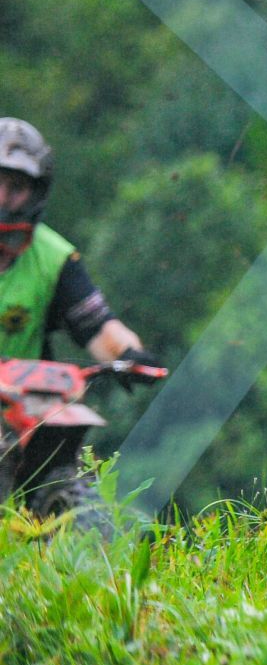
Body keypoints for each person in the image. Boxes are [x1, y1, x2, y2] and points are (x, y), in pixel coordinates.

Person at [0, 117, 154, 525]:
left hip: (22, 402)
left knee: (63, 463)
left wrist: (129, 354)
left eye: (15, 187)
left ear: (35, 193)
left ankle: (71, 533)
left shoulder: (54, 257)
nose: (2, 198)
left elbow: (97, 325)